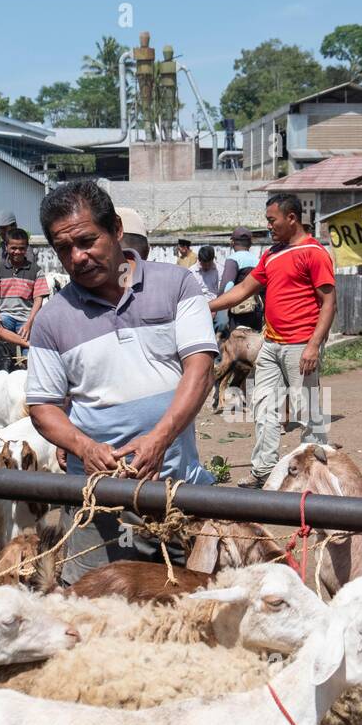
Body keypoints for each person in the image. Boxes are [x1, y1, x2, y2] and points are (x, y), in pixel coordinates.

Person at [26, 179, 218, 584]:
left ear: (115, 229)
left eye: (86, 240)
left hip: (175, 489)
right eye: (64, 249)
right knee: (97, 605)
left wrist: (159, 438)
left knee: (184, 601)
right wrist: (84, 446)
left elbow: (200, 368)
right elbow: (42, 407)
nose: (77, 257)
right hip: (100, 501)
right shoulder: (51, 320)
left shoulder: (176, 285)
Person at [207, 194, 337, 488]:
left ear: (291, 218)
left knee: (306, 411)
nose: (268, 227)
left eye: (272, 220)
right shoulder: (272, 254)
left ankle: (315, 473)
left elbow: (329, 302)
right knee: (264, 407)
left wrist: (314, 345)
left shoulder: (314, 252)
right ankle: (264, 470)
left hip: (301, 345)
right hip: (270, 345)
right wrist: (209, 306)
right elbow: (243, 289)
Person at [0, 227, 48, 357]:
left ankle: (26, 349)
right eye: (13, 248)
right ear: (6, 247)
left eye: (21, 248)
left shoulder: (36, 270)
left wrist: (30, 322)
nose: (17, 251)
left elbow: (38, 300)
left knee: (28, 359)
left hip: (26, 318)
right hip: (6, 317)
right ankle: (25, 343)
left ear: (27, 248)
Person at [218, 226, 261, 332]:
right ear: (250, 243)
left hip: (239, 312)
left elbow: (226, 287)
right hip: (256, 310)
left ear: (232, 242)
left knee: (237, 344)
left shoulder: (233, 259)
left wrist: (217, 305)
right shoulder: (258, 260)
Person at [189, 245, 225, 335]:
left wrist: (214, 308)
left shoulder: (220, 270)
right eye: (204, 264)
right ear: (199, 260)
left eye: (209, 263)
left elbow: (221, 292)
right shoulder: (191, 272)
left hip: (217, 304)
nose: (207, 266)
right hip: (197, 305)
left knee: (222, 323)